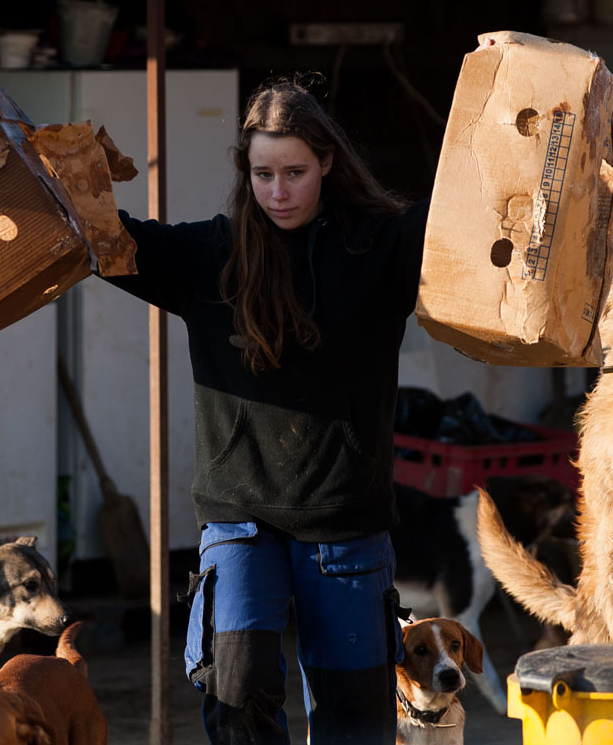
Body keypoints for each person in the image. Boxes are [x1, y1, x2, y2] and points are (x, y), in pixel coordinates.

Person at [102, 77, 430, 744]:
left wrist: (503, 82)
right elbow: (103, 241)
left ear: (328, 164)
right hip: (241, 519)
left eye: (294, 173)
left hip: (347, 523)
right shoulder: (210, 256)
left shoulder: (383, 246)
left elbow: (479, 213)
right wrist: (46, 169)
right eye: (262, 173)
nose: (277, 191)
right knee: (237, 693)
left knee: (356, 724)